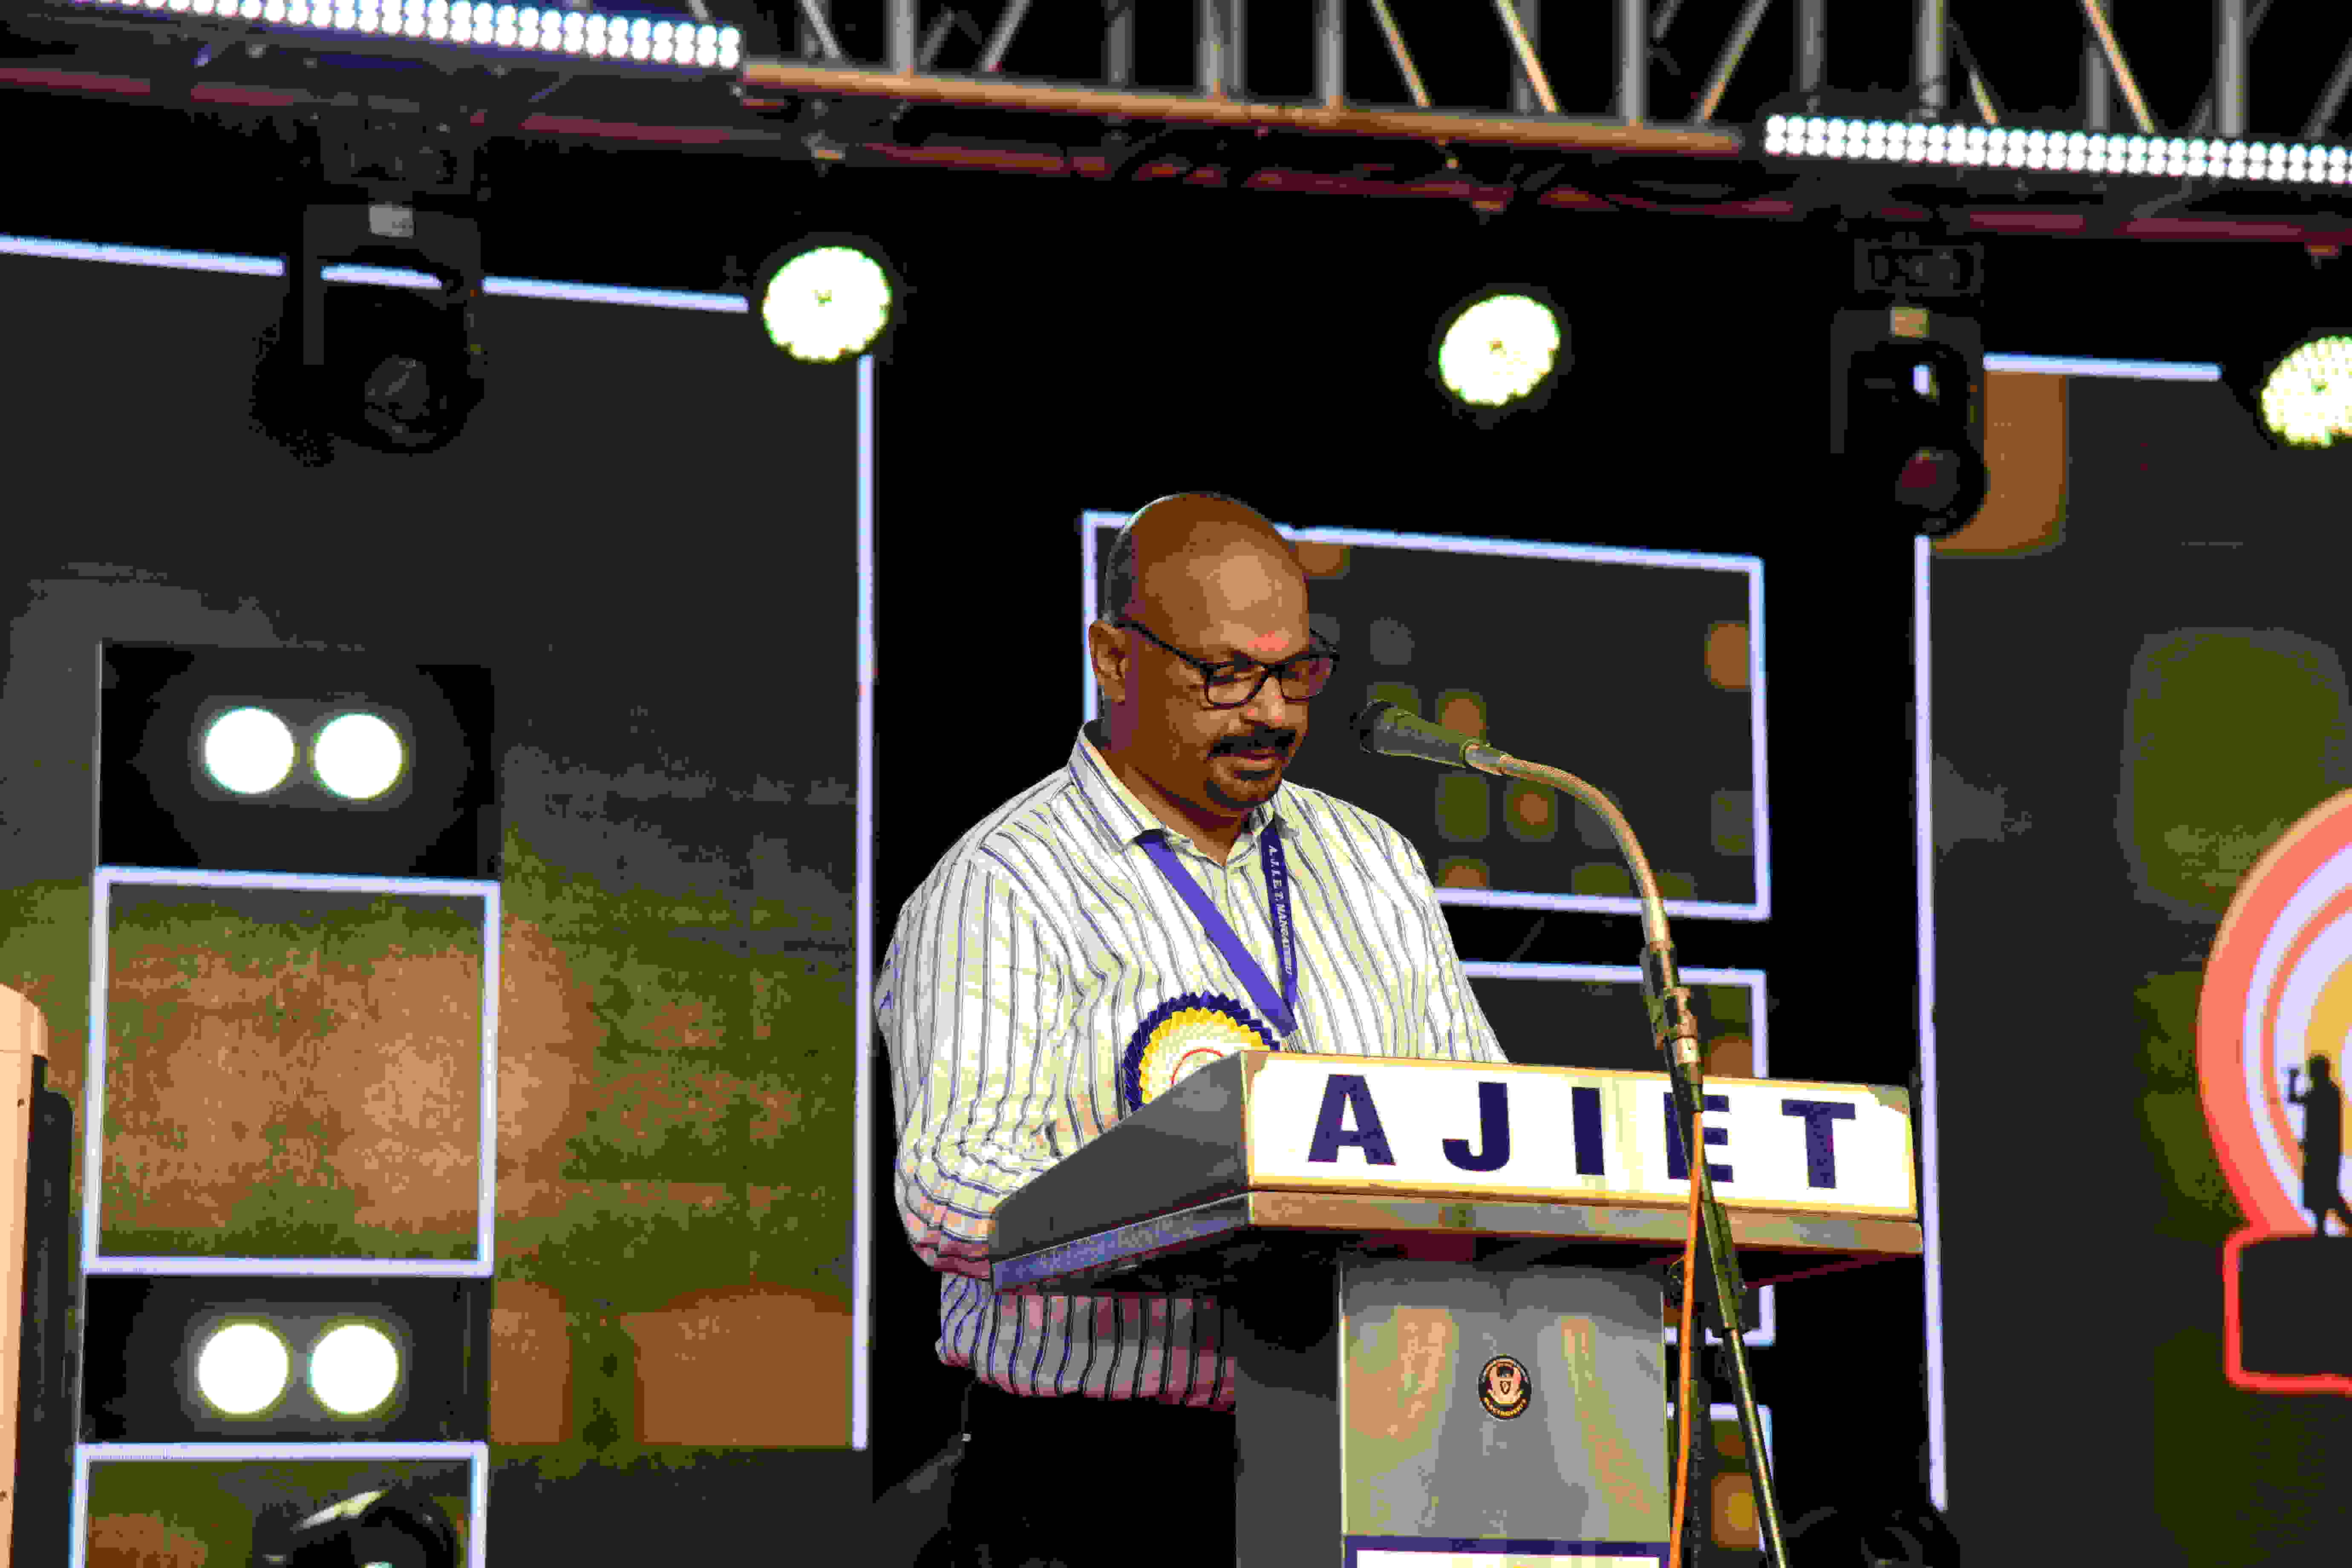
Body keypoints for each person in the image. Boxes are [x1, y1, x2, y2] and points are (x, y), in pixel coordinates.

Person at [874, 491, 1511, 1568]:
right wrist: (1202, 1223)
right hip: (1099, 1482)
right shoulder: (1005, 883)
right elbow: (950, 1192)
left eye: (1297, 672)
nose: (1273, 713)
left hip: (1370, 1457)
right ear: (1113, 659)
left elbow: (1487, 1121)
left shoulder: (1372, 861)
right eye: (1226, 674)